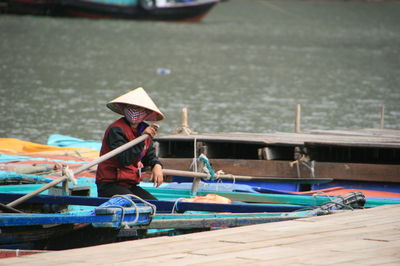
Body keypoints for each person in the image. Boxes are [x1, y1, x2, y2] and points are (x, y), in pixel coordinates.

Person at [96, 87, 165, 200]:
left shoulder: (146, 131)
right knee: (135, 205)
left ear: (146, 112)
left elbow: (150, 156)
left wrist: (157, 165)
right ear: (124, 109)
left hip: (130, 184)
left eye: (138, 108)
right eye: (130, 107)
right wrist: (141, 138)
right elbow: (124, 159)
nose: (133, 111)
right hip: (110, 184)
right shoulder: (116, 129)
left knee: (155, 205)